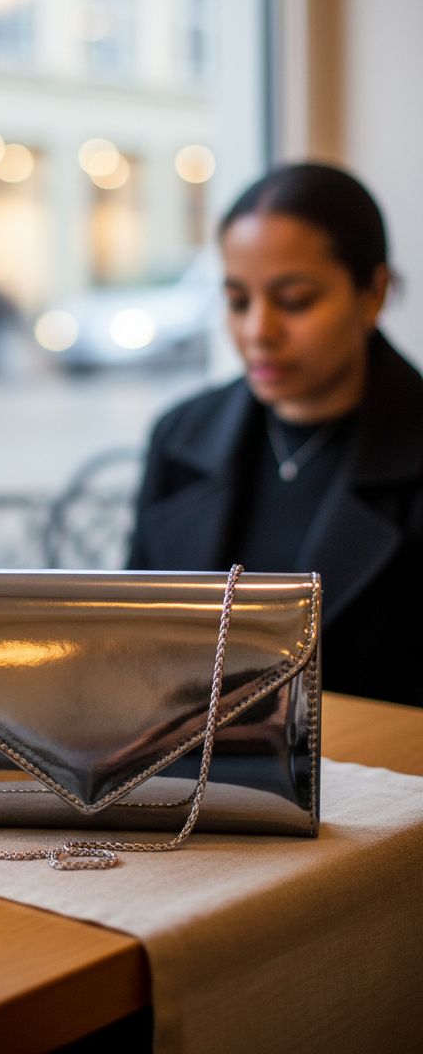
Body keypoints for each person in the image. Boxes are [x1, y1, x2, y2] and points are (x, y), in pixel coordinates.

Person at [126, 162, 423, 707]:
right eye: (238, 302)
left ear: (373, 293)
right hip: (190, 778)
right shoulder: (180, 436)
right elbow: (134, 652)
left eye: (294, 301)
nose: (259, 331)